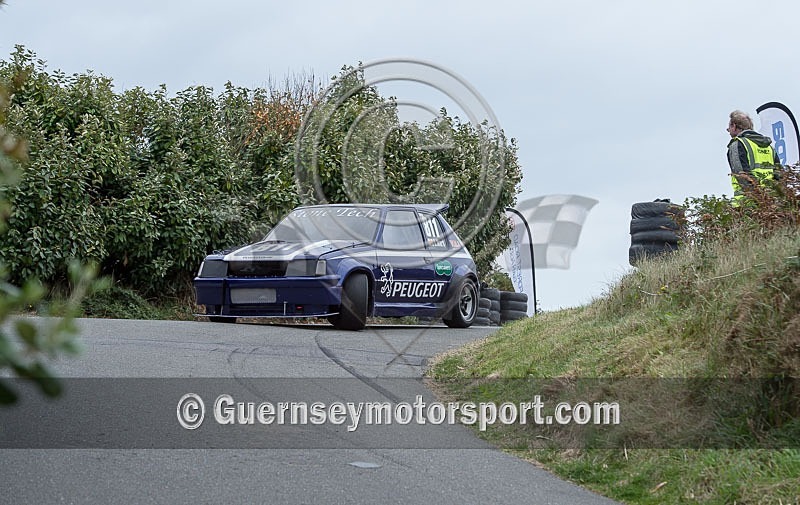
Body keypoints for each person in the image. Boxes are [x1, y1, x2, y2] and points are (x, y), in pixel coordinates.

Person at [726, 110, 781, 204]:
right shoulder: (769, 147)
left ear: (734, 126)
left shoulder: (737, 144)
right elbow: (779, 176)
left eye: (729, 127)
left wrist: (759, 198)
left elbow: (742, 175)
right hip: (771, 203)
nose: (728, 130)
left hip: (747, 203)